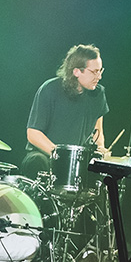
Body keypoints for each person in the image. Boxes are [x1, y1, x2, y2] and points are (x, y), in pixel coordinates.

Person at [22, 44, 109, 177]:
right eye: (94, 72)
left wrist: (101, 150)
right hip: (46, 156)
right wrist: (62, 156)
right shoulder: (50, 89)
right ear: (76, 71)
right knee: (37, 161)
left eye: (100, 71)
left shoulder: (98, 94)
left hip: (78, 161)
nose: (99, 77)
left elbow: (98, 133)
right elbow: (33, 133)